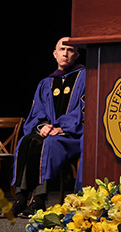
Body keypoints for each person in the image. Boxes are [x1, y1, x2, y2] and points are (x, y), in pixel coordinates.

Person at [11, 38, 86, 218]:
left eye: (70, 50)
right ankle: (21, 197)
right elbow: (37, 111)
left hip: (72, 135)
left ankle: (39, 199)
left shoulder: (86, 77)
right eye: (62, 49)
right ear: (55, 54)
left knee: (48, 144)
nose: (65, 53)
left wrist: (61, 127)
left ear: (77, 54)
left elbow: (85, 109)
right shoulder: (46, 82)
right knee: (26, 141)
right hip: (50, 132)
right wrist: (43, 126)